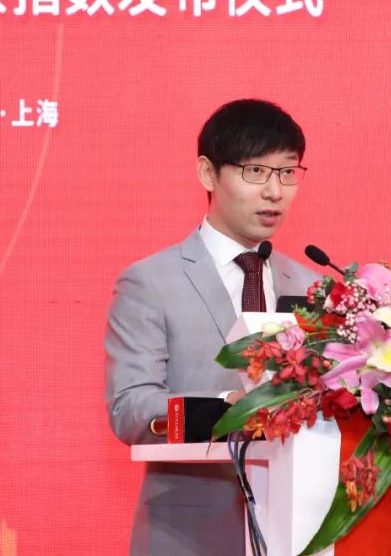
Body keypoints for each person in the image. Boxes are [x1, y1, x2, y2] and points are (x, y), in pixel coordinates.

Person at [104, 99, 319, 556]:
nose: (275, 191)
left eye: (287, 172)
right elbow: (130, 408)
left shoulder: (312, 286)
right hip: (190, 535)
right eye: (255, 172)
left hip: (301, 531)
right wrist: (228, 409)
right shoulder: (151, 282)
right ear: (208, 173)